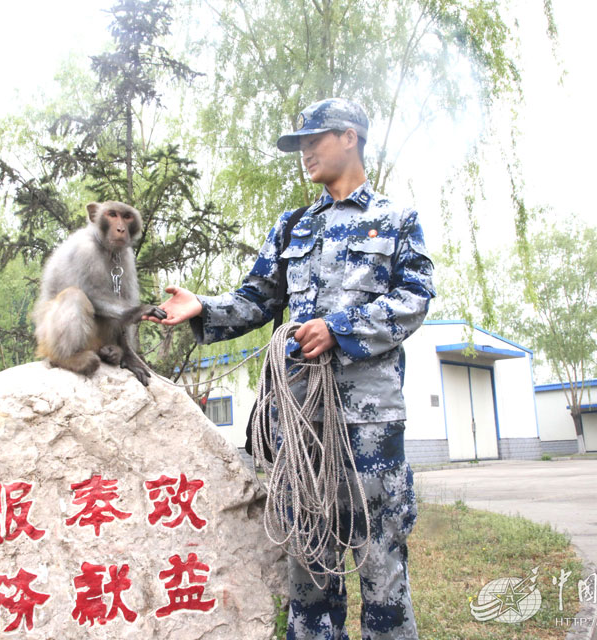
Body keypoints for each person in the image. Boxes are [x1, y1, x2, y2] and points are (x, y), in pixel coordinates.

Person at [150, 97, 434, 640]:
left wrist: (340, 328)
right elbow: (257, 299)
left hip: (368, 428)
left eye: (314, 139)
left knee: (382, 570)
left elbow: (414, 299)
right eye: (300, 143)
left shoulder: (396, 221)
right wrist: (204, 307)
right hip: (299, 425)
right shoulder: (293, 226)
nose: (304, 152)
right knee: (307, 571)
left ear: (349, 137)